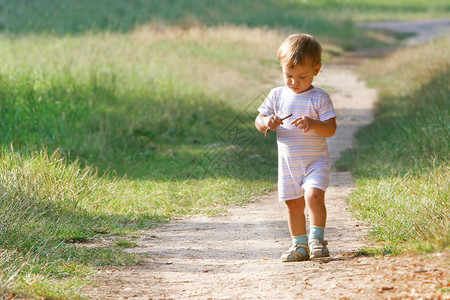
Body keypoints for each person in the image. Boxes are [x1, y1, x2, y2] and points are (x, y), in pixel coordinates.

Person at [255, 33, 337, 262]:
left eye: (302, 76)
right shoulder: (277, 95)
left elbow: (331, 129)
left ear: (316, 70)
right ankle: (299, 244)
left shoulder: (319, 98)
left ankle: (317, 239)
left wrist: (313, 124)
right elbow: (258, 121)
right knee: (293, 204)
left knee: (313, 196)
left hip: (315, 163)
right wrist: (267, 123)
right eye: (288, 75)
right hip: (289, 165)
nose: (294, 81)